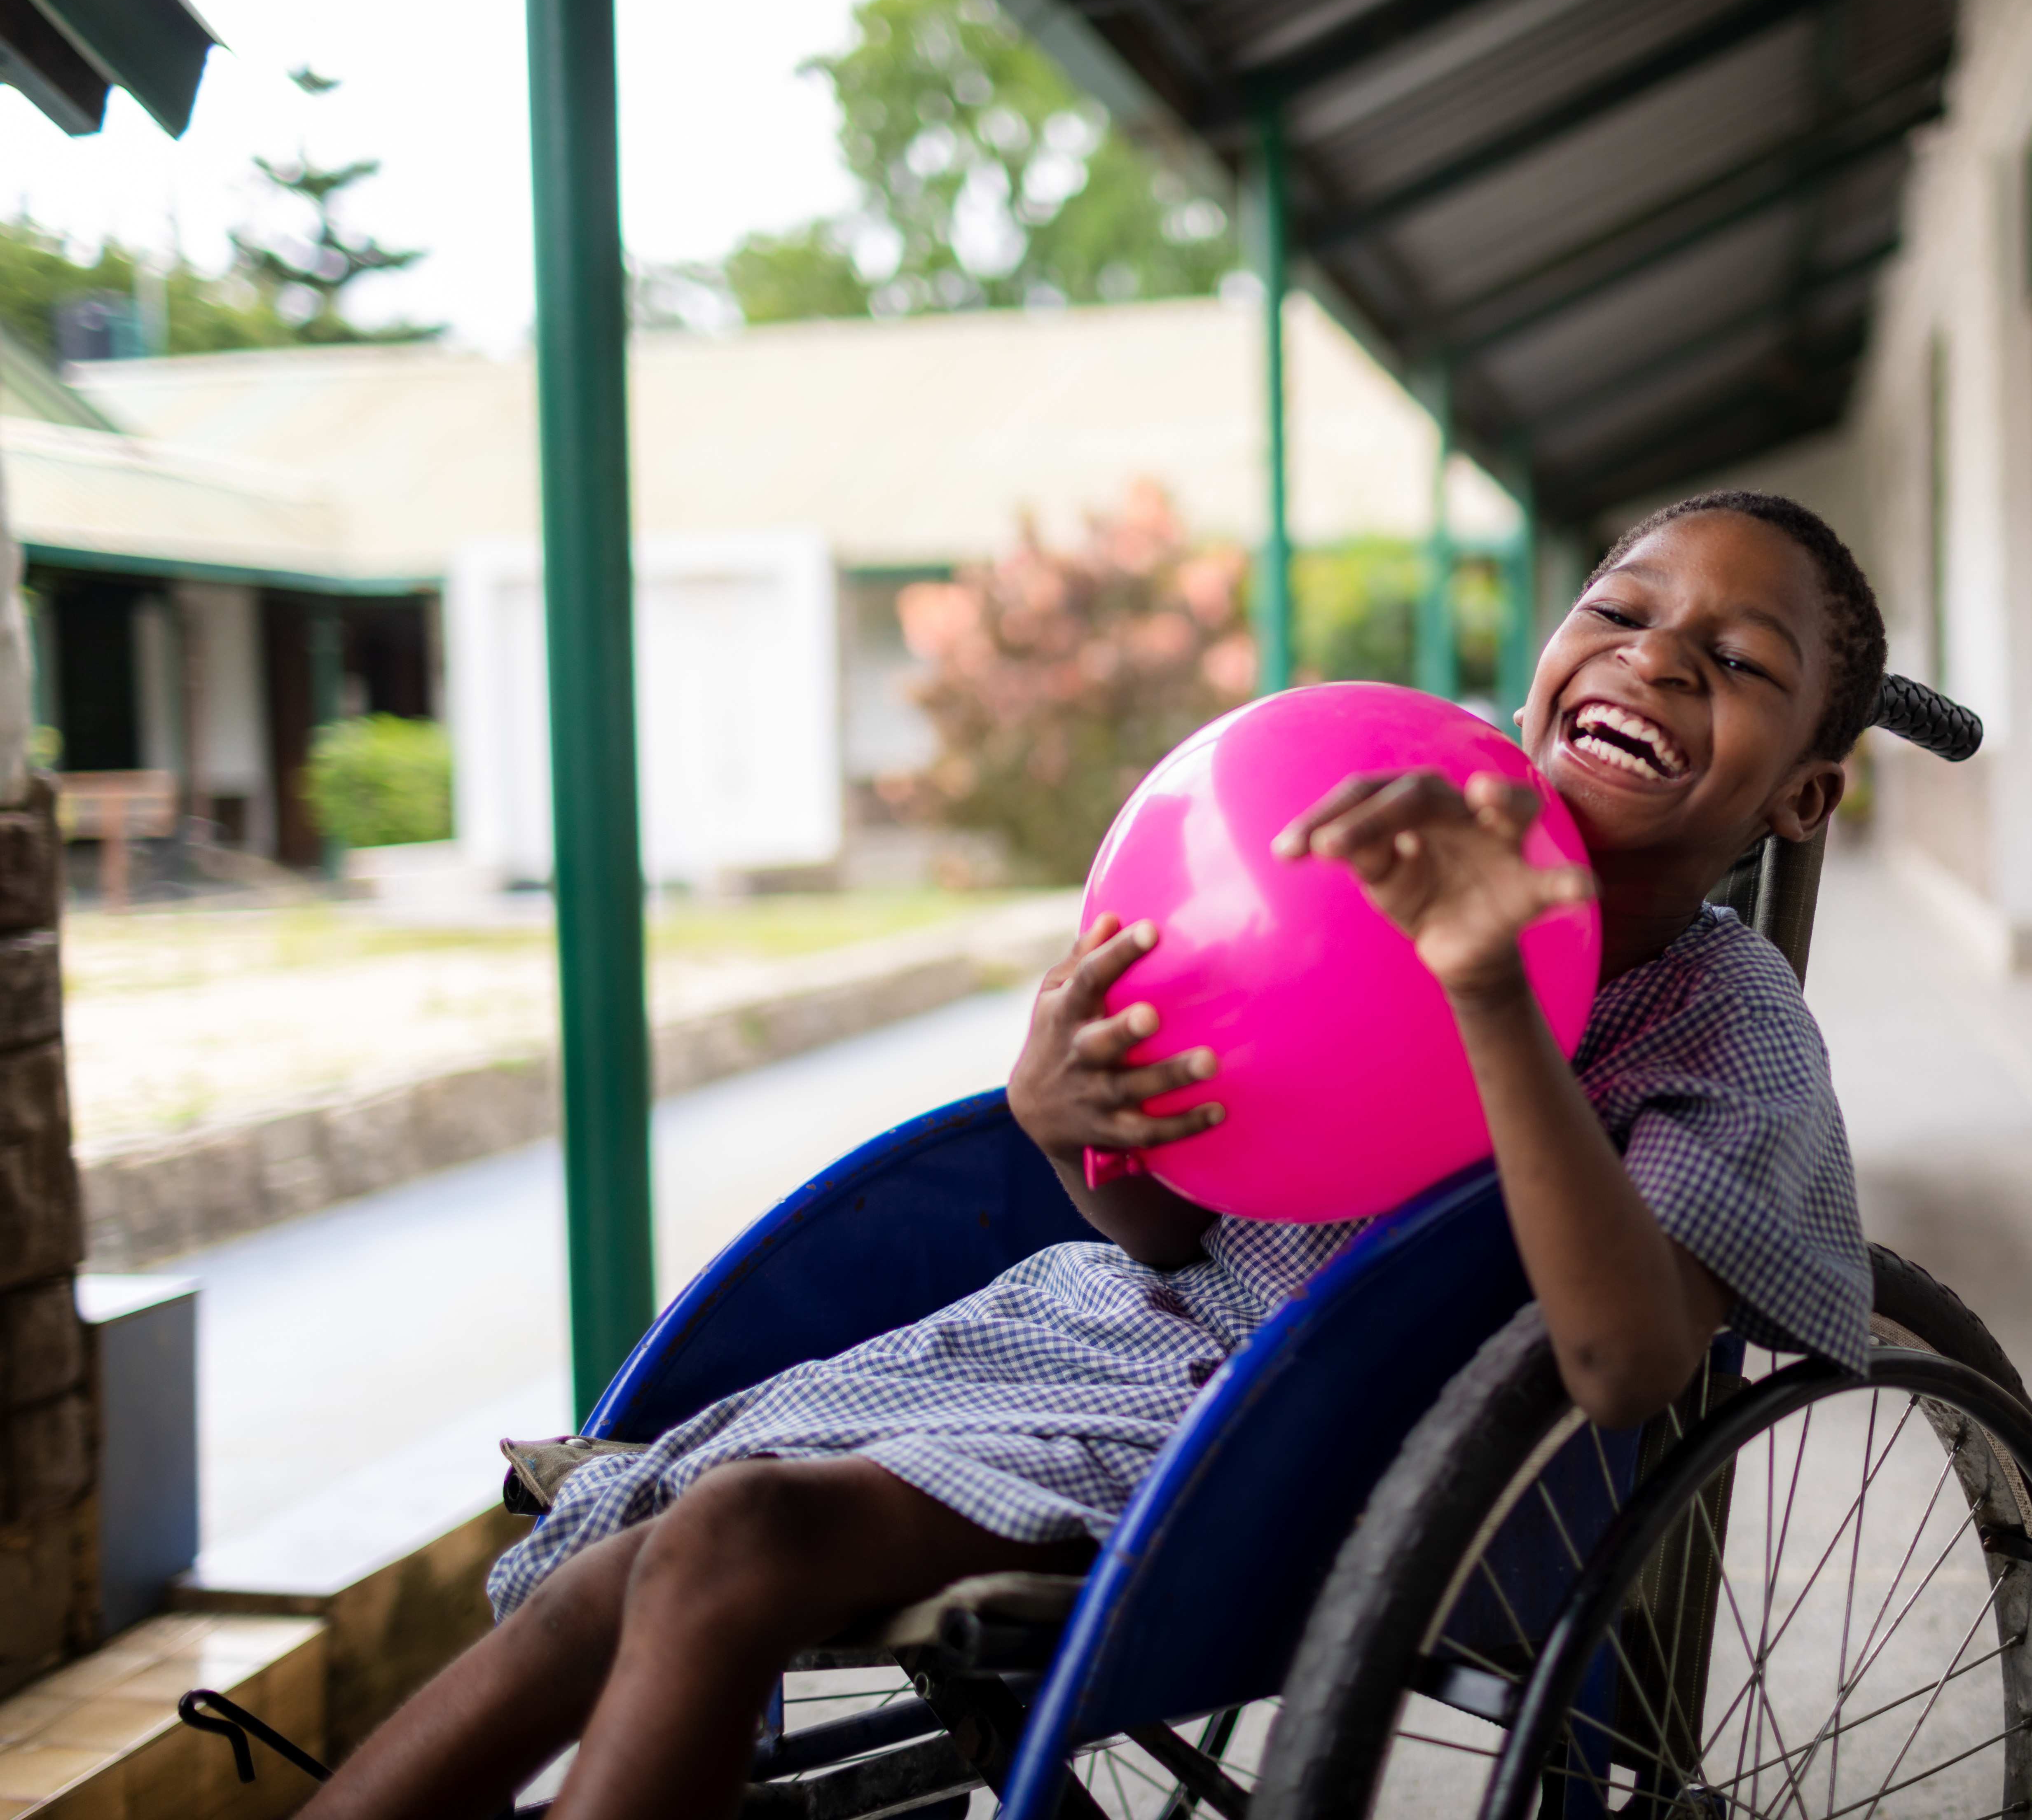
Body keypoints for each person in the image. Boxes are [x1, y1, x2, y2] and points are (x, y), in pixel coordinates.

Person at [300, 488, 1889, 1820]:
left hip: (1328, 1437)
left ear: (1809, 791)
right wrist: (1084, 1134)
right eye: (1620, 611)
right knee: (637, 1551)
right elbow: (1179, 1234)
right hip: (1117, 1339)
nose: (1659, 656)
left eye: (1737, 659)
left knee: (730, 1542)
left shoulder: (1716, 1024)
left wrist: (1493, 989)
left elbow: (1625, 1368)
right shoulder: (1360, 850)